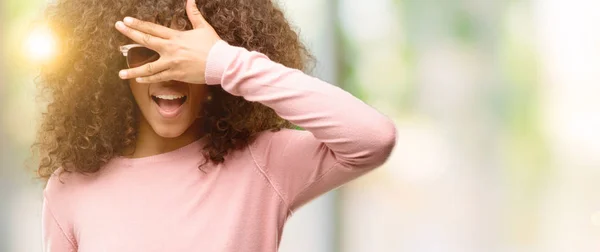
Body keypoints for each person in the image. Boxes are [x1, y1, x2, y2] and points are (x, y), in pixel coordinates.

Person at [36, 0, 396, 251]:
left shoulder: (262, 162)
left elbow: (373, 137)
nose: (169, 74)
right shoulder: (71, 189)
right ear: (109, 68)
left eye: (186, 60)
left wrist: (223, 62)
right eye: (148, 52)